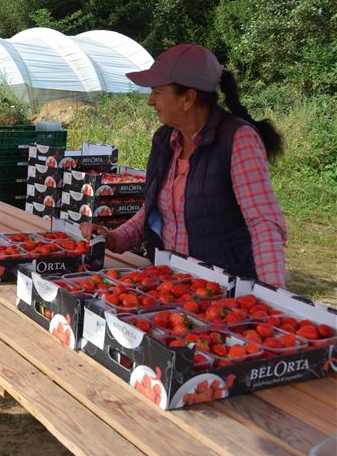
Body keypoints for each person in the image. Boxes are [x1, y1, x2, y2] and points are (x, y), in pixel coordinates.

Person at [81, 43, 287, 287]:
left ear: (188, 98)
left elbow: (263, 223)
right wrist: (115, 238)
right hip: (171, 283)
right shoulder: (165, 139)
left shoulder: (238, 139)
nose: (150, 101)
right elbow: (156, 209)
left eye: (157, 92)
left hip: (221, 289)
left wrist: (273, 294)